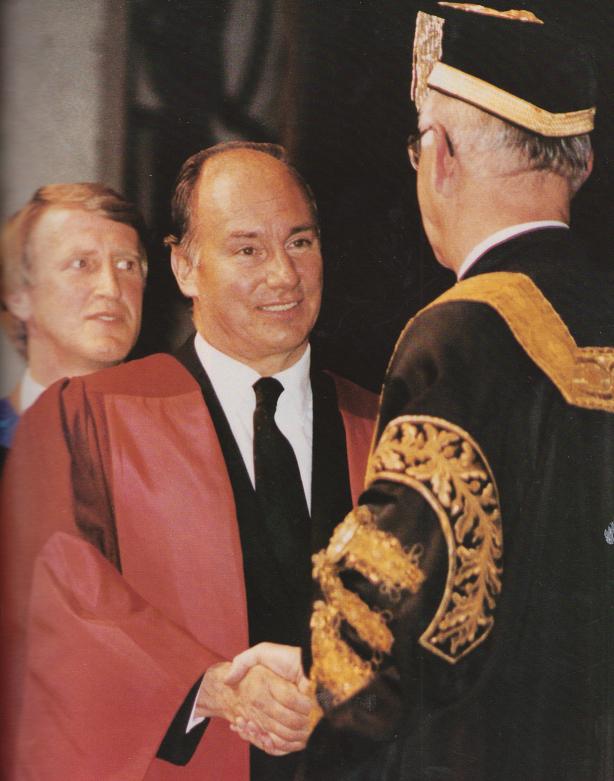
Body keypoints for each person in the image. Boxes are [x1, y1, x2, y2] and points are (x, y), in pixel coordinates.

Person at [278, 5, 612, 780]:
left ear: (440, 154)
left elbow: (391, 627)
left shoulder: (461, 338)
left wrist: (316, 690)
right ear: (581, 163)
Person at [1, 142, 377, 780]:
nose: (284, 276)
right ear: (184, 268)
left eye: (300, 242)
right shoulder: (88, 417)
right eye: (248, 250)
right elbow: (51, 598)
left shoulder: (385, 428)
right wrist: (206, 686)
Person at [0, 183, 147, 450]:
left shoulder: (182, 436)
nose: (111, 289)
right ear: (19, 296)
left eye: (126, 265)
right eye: (81, 264)